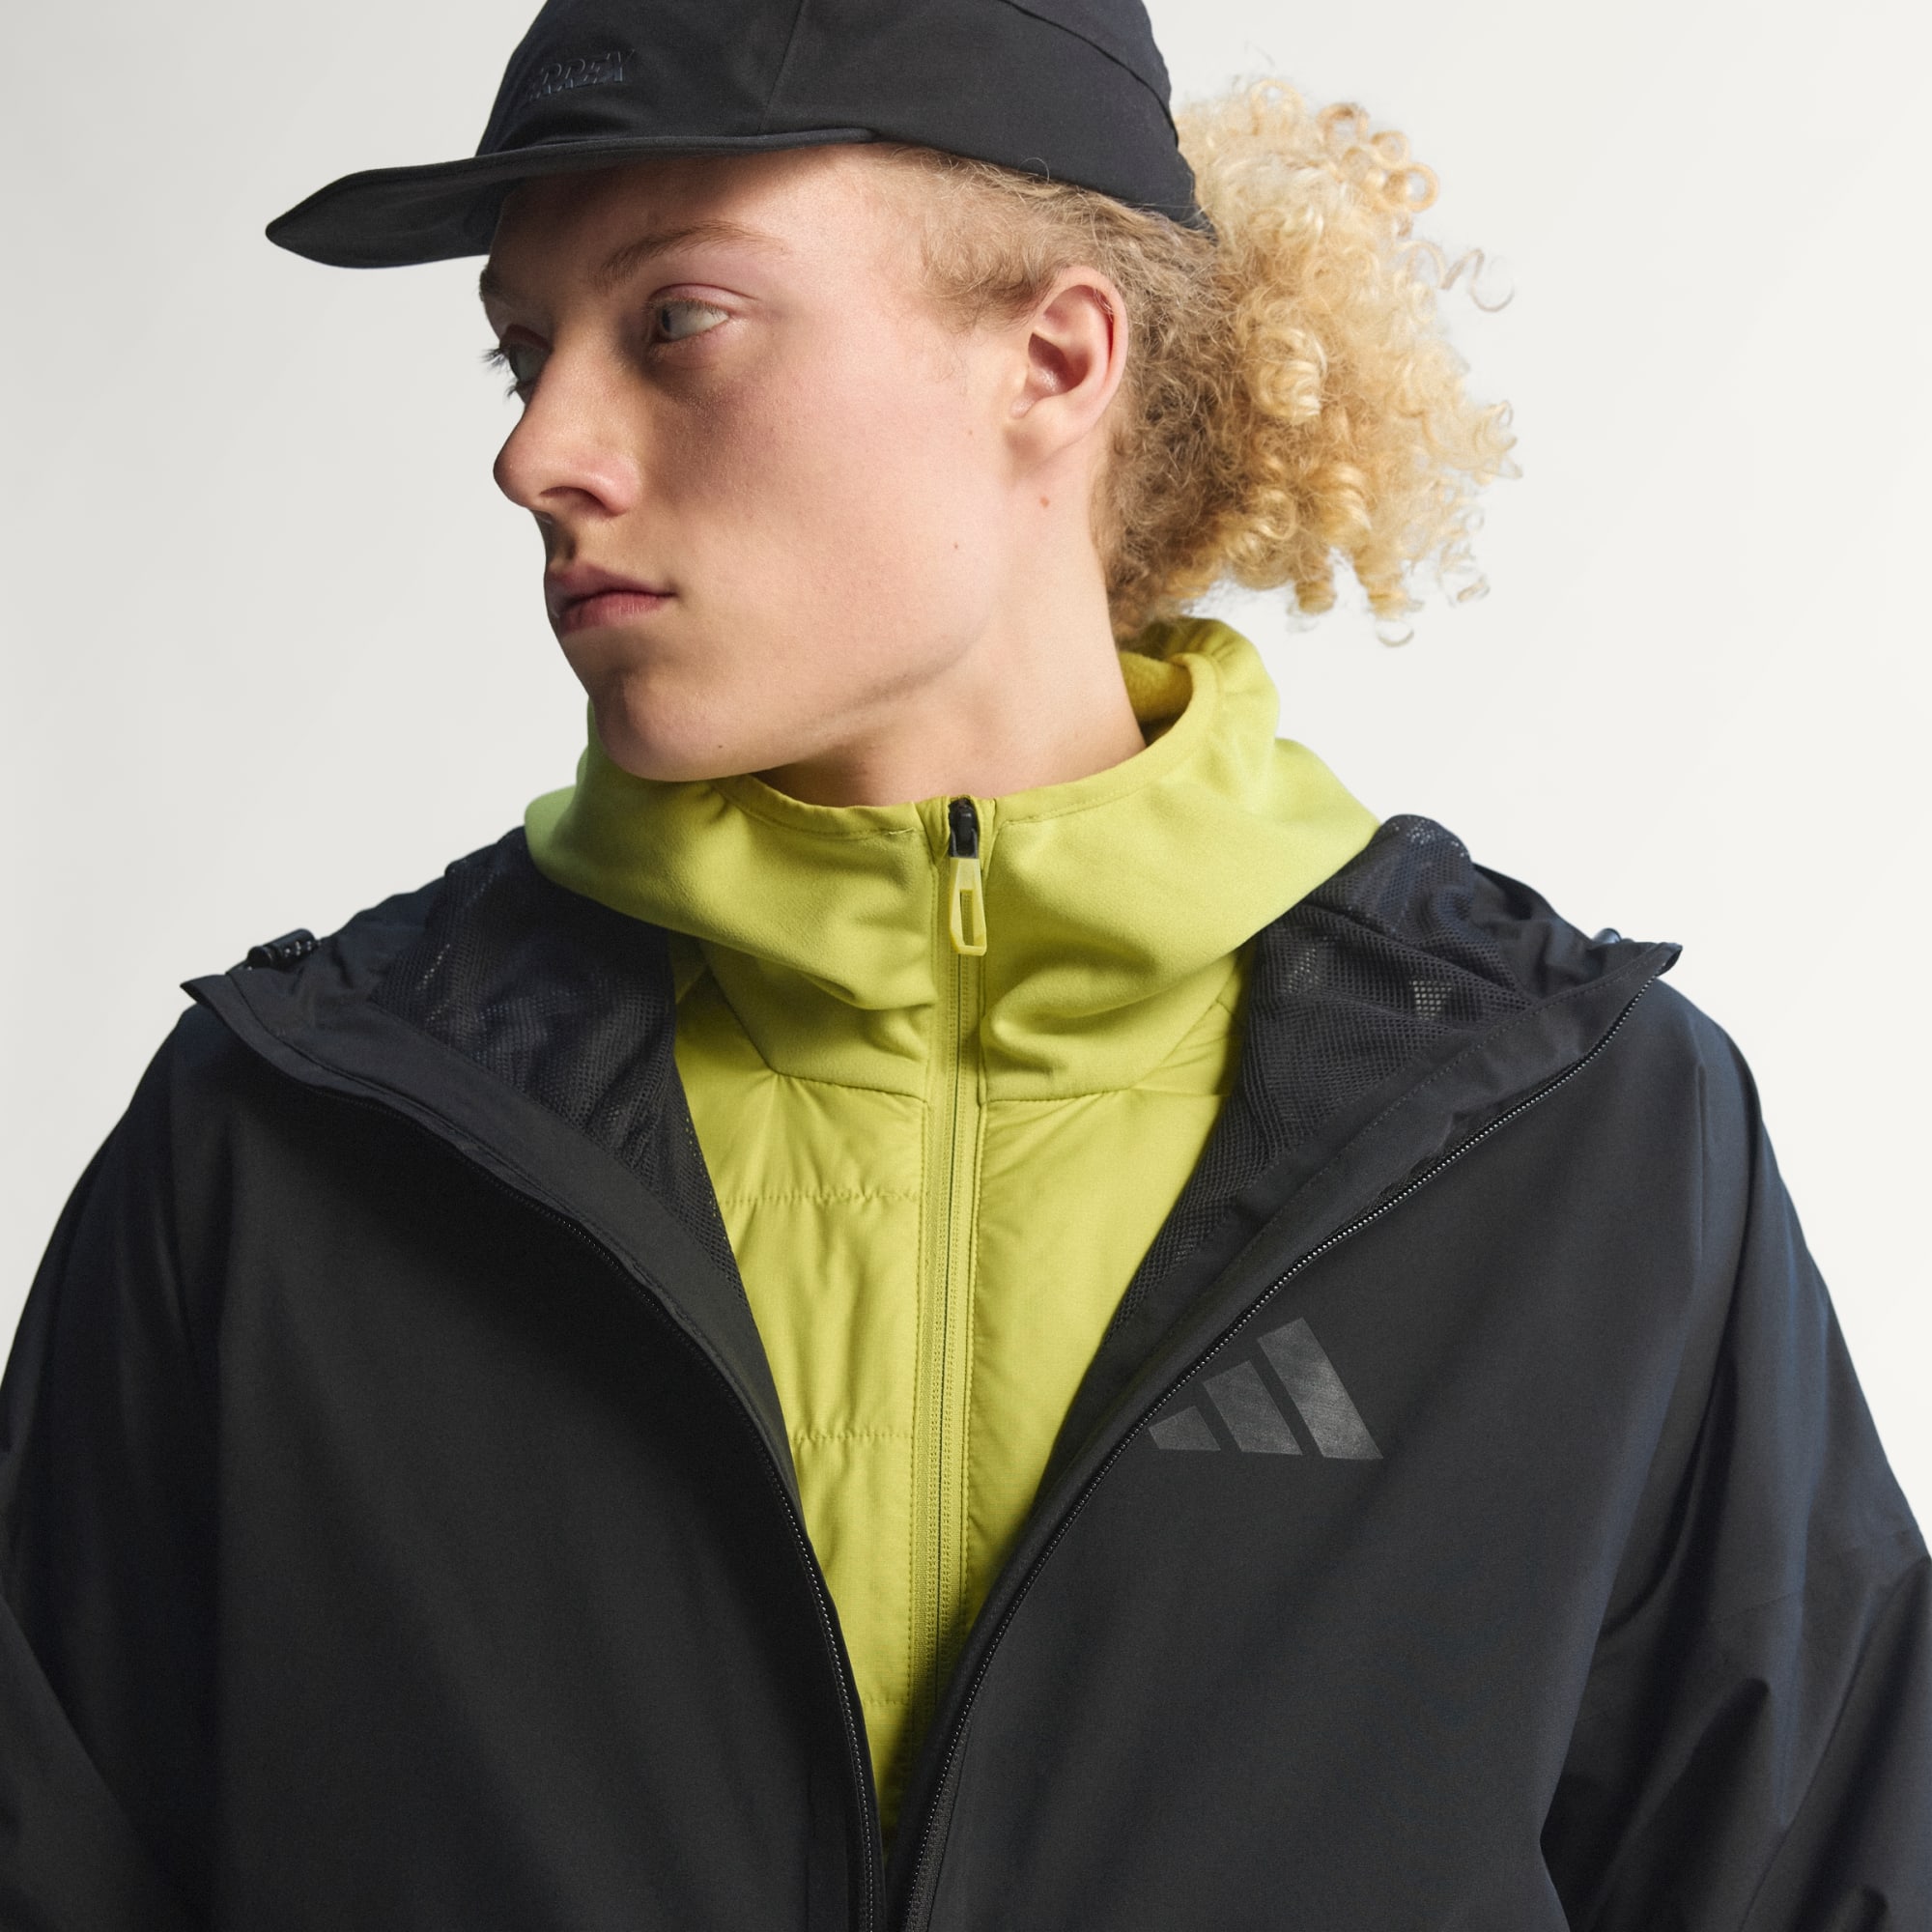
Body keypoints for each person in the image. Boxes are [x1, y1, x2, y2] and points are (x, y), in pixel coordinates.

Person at [2, 0, 1925, 1924]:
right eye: (523, 350)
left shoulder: (1579, 1151)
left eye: (676, 321)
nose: (535, 451)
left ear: (1052, 357)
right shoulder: (292, 1147)